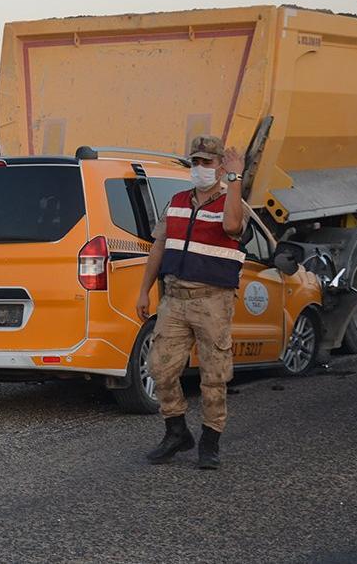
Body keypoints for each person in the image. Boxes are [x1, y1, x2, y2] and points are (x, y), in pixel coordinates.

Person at [135, 135, 247, 470]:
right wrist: (144, 290)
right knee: (159, 369)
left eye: (207, 163)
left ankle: (210, 442)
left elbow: (232, 226)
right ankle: (176, 431)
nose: (200, 168)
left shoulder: (232, 200)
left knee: (214, 376)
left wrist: (236, 179)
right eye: (195, 162)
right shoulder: (178, 201)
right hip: (175, 299)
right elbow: (158, 247)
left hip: (212, 300)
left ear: (220, 166)